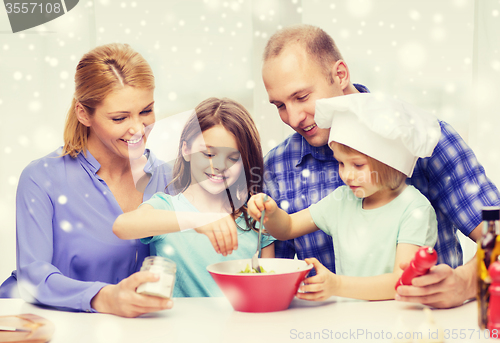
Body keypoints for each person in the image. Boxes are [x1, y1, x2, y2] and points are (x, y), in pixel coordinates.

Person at [261, 24, 500, 308]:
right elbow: (277, 276)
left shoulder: (423, 138)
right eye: (279, 105)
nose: (294, 117)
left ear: (340, 74)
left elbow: (495, 235)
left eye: (301, 97)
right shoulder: (278, 165)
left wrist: (466, 282)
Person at [0, 43, 174, 317]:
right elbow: (33, 276)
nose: (138, 129)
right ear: (84, 113)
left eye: (146, 111)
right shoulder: (42, 178)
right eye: (119, 118)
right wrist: (104, 298)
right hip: (51, 324)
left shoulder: (169, 178)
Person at [249, 93, 439, 300]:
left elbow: (402, 281)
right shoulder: (343, 200)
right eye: (341, 163)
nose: (346, 174)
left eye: (357, 165)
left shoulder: (414, 209)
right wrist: (271, 212)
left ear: (389, 162)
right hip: (347, 320)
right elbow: (288, 228)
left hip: (395, 323)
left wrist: (337, 285)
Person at [113, 97, 275, 297]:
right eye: (208, 154)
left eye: (233, 158)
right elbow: (121, 226)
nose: (219, 166)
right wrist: (198, 220)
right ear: (186, 149)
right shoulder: (166, 207)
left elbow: (268, 291)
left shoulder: (256, 220)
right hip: (178, 328)